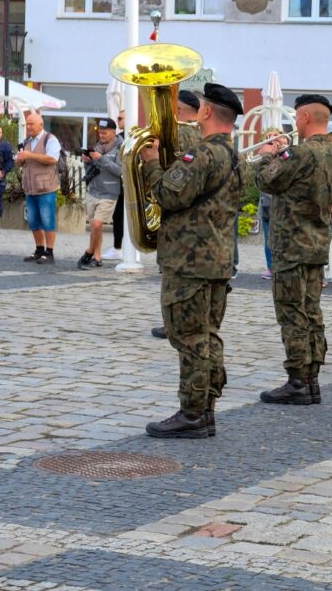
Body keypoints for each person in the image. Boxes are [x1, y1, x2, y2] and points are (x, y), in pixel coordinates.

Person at [141, 83, 243, 439]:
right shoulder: (234, 155)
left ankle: (192, 413)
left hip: (189, 260)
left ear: (207, 112)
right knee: (207, 335)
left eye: (199, 106)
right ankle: (205, 408)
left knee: (188, 337)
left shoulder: (201, 155)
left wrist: (153, 165)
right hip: (215, 259)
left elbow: (169, 194)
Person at [254, 94, 332, 405]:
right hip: (317, 243)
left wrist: (269, 154)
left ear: (305, 118)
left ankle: (297, 381)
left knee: (292, 315)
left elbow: (265, 181)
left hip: (290, 245)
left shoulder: (299, 154)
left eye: (296, 117)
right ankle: (311, 379)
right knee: (311, 313)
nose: (295, 122)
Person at [150, 91, 214, 339]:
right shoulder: (204, 136)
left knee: (173, 279)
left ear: (179, 109)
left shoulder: (175, 135)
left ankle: (173, 324)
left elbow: (168, 183)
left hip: (177, 219)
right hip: (202, 226)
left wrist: (150, 164)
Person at [77, 118, 124, 269]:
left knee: (97, 225)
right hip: (93, 191)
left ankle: (88, 252)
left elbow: (119, 170)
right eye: (100, 132)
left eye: (105, 133)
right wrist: (87, 161)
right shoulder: (98, 145)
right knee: (95, 227)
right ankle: (97, 258)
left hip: (109, 192)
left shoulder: (120, 147)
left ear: (113, 132)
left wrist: (101, 159)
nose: (101, 136)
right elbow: (92, 169)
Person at [16, 112, 61, 264]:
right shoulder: (27, 140)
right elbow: (23, 162)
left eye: (31, 124)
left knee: (48, 221)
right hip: (30, 188)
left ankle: (50, 253)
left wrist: (30, 155)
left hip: (46, 187)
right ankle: (39, 250)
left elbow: (52, 158)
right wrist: (19, 160)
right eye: (27, 124)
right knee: (34, 221)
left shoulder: (50, 139)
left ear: (40, 125)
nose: (28, 127)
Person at [102, 110, 127, 260]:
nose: (118, 121)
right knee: (118, 217)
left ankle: (129, 249)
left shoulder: (126, 138)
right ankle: (118, 247)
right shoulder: (118, 138)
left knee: (125, 217)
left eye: (120, 118)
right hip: (119, 184)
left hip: (129, 182)